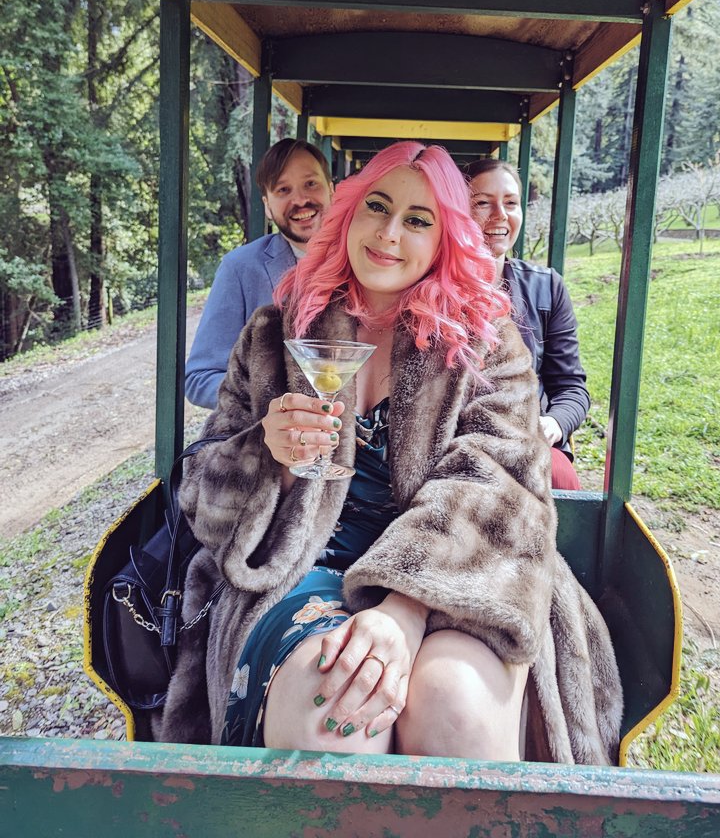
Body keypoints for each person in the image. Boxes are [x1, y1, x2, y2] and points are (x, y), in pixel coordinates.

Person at [161, 142, 621, 765]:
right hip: (302, 570)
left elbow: (502, 492)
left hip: (462, 576)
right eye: (377, 207)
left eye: (418, 219)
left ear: (445, 240)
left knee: (454, 704)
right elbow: (202, 500)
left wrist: (404, 608)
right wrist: (266, 454)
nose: (389, 233)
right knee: (337, 710)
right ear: (348, 214)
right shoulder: (274, 336)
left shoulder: (487, 345)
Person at [466, 159, 590, 491]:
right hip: (457, 443)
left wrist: (552, 424)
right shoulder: (433, 289)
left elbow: (571, 388)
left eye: (510, 203)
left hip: (526, 440)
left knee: (561, 477)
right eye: (482, 203)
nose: (501, 215)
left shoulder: (546, 287)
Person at [185, 137, 334, 409]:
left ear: (331, 190)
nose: (300, 200)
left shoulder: (369, 262)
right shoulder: (240, 268)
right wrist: (272, 406)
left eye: (311, 184)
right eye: (283, 190)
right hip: (268, 444)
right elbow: (200, 378)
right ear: (267, 205)